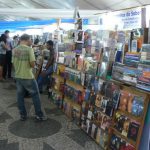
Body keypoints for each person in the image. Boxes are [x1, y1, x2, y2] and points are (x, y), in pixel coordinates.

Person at [12, 34, 47, 121]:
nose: (31, 41)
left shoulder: (15, 50)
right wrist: (34, 65)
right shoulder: (29, 49)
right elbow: (32, 64)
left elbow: (13, 63)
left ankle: (23, 115)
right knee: (35, 95)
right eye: (31, 39)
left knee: (20, 96)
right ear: (27, 40)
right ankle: (39, 115)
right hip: (28, 76)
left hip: (18, 76)